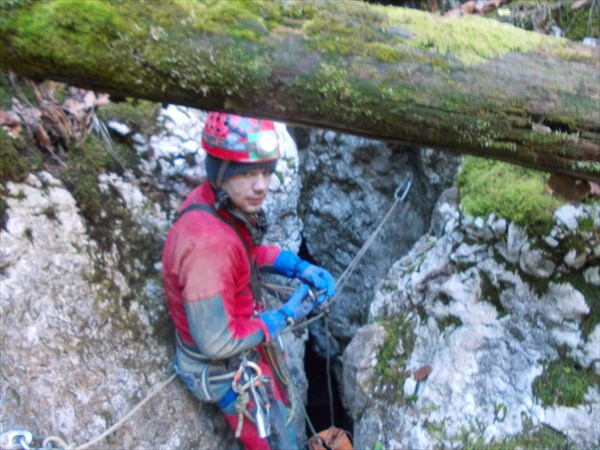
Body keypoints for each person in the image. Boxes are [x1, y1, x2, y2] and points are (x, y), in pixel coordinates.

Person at [162, 112, 336, 450]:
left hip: (245, 342)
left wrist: (297, 266)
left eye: (266, 171)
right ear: (221, 169)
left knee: (286, 417)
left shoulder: (217, 203)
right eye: (248, 173)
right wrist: (283, 317)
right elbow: (216, 342)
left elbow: (246, 252)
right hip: (227, 369)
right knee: (276, 441)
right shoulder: (208, 246)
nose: (261, 185)